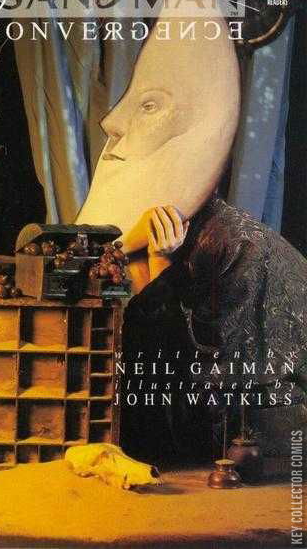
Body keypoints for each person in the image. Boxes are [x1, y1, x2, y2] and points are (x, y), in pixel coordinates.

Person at [119, 198, 307, 464]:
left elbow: (172, 344)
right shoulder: (204, 233)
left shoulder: (234, 247)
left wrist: (159, 260)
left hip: (268, 408)